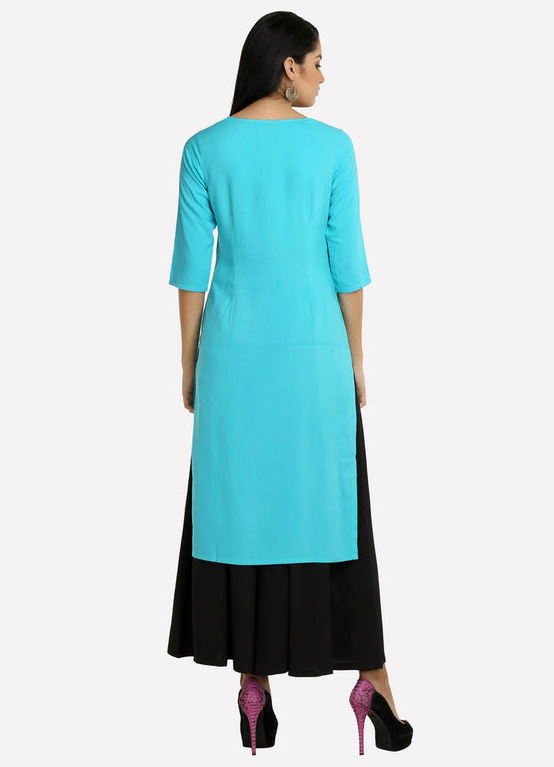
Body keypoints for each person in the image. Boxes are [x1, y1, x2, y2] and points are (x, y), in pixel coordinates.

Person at [166, 11, 413, 756]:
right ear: (287, 68)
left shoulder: (203, 148)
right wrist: (356, 357)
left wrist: (190, 363)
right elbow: (348, 266)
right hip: (314, 355)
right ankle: (373, 681)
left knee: (240, 509)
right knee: (331, 509)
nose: (323, 76)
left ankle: (254, 688)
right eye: (317, 62)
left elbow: (190, 272)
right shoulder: (332, 147)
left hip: (233, 355)